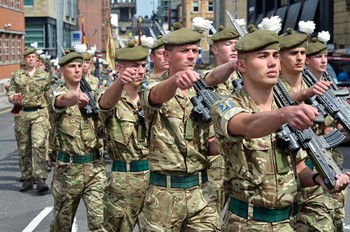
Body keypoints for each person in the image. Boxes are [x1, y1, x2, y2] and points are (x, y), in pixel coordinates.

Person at [210, 25, 350, 231]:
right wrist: (284, 114)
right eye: (262, 56)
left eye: (275, 55)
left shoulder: (286, 109)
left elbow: (299, 168)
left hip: (289, 222)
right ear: (241, 65)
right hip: (246, 223)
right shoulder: (226, 106)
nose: (272, 62)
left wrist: (317, 178)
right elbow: (247, 125)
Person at [138, 22, 221, 231]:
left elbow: (211, 144)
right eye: (184, 51)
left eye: (194, 50)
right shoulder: (151, 85)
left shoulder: (203, 92)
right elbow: (154, 96)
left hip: (201, 192)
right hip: (163, 195)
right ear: (167, 57)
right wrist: (175, 80)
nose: (192, 56)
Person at [293, 34, 350, 232]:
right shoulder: (298, 90)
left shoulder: (328, 85)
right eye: (319, 56)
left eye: (326, 56)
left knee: (335, 220)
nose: (324, 60)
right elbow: (325, 130)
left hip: (330, 163)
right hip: (309, 168)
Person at [49, 52, 106, 232]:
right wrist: (75, 97)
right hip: (68, 170)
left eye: (80, 66)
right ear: (62, 70)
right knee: (62, 225)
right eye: (72, 67)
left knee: (99, 221)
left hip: (94, 167)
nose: (77, 70)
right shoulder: (55, 91)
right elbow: (60, 100)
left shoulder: (94, 93)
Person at [97, 41, 150, 231]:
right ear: (119, 67)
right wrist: (120, 81)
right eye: (135, 66)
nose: (141, 71)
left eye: (144, 65)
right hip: (124, 178)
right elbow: (104, 105)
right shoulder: (110, 95)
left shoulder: (152, 96)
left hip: (155, 178)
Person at [7, 47, 51, 193]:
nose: (31, 59)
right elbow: (11, 92)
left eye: (33, 57)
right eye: (28, 57)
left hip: (39, 113)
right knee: (24, 147)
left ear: (37, 60)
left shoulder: (45, 76)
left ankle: (40, 179)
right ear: (25, 59)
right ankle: (26, 178)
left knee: (39, 144)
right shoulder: (17, 75)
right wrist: (12, 97)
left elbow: (50, 96)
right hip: (22, 113)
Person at [204, 25, 240, 95]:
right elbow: (213, 78)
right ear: (215, 49)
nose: (234, 48)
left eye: (237, 44)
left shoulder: (243, 74)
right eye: (228, 44)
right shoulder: (206, 74)